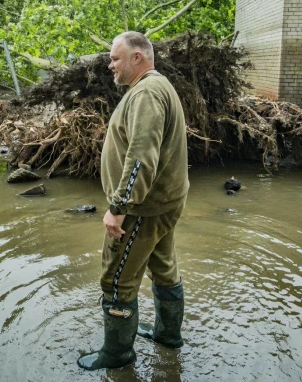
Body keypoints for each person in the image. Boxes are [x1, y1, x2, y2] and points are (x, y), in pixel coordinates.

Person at [77, 32, 190, 371]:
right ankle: (167, 335)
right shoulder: (157, 86)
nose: (110, 64)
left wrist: (118, 208)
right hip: (165, 202)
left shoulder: (146, 94)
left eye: (115, 58)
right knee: (164, 269)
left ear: (137, 58)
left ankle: (117, 355)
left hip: (142, 209)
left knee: (116, 280)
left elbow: (141, 158)